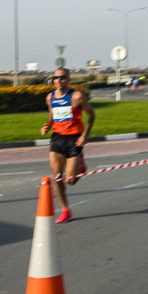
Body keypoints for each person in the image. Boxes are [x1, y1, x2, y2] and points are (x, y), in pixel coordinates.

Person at [41, 68, 96, 223]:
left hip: (74, 139)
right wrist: (47, 126)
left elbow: (92, 115)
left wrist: (85, 135)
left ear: (68, 79)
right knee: (56, 177)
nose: (59, 80)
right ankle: (66, 210)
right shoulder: (50, 97)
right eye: (56, 77)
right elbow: (52, 117)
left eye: (62, 77)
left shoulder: (77, 97)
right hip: (57, 138)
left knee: (70, 181)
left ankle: (80, 160)